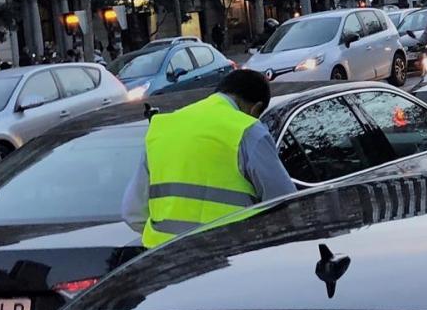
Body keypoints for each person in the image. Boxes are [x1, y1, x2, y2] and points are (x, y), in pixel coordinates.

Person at [121, 69, 296, 248]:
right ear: (256, 108)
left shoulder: (162, 126)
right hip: (229, 259)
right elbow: (284, 205)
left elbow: (132, 213)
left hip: (164, 261)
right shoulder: (248, 129)